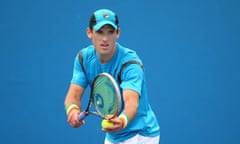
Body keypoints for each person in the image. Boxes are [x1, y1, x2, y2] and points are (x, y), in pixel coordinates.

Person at [64, 9, 160, 144]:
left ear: (118, 33)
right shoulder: (83, 58)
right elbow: (73, 96)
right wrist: (72, 111)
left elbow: (132, 103)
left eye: (110, 32)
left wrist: (122, 120)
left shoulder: (130, 63)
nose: (105, 38)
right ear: (89, 33)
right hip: (114, 136)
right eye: (100, 32)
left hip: (141, 134)